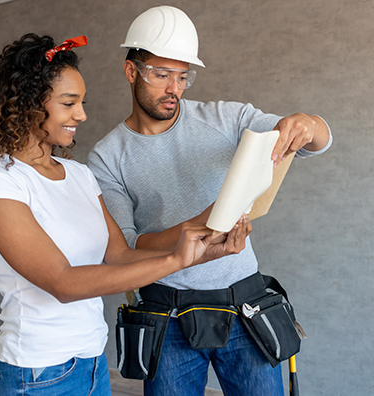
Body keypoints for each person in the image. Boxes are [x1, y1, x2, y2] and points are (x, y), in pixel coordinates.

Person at [0, 33, 250, 396]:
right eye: (69, 103)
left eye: (81, 102)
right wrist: (175, 261)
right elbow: (63, 282)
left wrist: (199, 252)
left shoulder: (79, 175)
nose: (82, 115)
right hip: (34, 374)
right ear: (27, 104)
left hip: (91, 364)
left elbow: (120, 256)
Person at [86, 6, 333, 396]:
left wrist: (307, 123)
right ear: (131, 71)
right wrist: (195, 227)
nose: (174, 88)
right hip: (166, 318)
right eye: (161, 74)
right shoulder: (107, 157)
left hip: (244, 307)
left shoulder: (227, 119)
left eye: (183, 76)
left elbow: (313, 143)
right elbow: (128, 246)